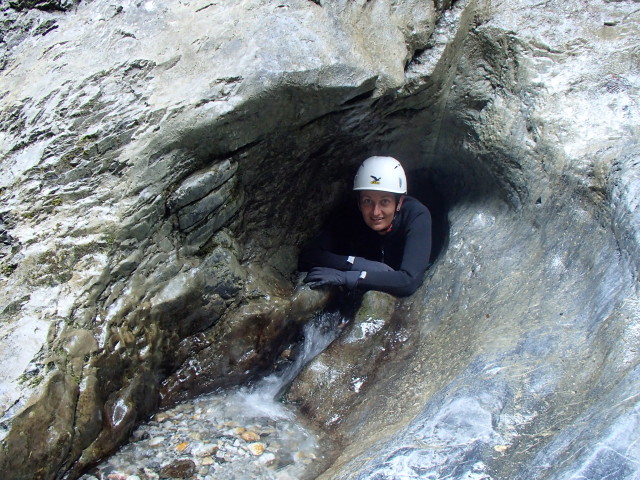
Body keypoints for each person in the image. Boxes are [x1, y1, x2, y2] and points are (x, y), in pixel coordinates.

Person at [298, 156, 432, 297]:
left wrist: (348, 278)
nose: (375, 211)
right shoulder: (351, 214)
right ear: (359, 202)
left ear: (399, 203)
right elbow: (309, 256)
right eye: (367, 201)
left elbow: (409, 281)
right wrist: (356, 264)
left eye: (384, 201)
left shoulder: (416, 215)